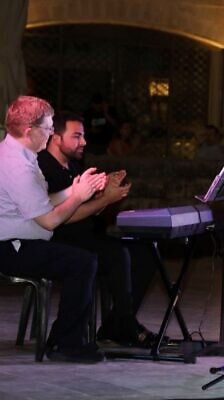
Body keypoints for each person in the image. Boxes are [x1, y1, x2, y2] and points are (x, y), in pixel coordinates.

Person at [38, 110, 159, 347]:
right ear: (56, 138)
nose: (83, 142)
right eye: (76, 136)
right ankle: (123, 325)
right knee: (116, 253)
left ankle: (117, 323)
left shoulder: (73, 166)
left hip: (83, 236)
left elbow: (85, 208)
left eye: (83, 136)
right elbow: (61, 216)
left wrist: (104, 194)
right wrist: (105, 200)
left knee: (145, 253)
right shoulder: (44, 166)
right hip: (59, 240)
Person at [0, 96, 106, 362]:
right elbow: (49, 220)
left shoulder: (21, 153)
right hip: (9, 248)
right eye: (47, 129)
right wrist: (79, 197)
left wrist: (76, 188)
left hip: (20, 240)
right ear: (29, 131)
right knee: (82, 262)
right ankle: (64, 344)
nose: (50, 135)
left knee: (83, 258)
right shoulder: (16, 165)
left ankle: (67, 339)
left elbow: (43, 201)